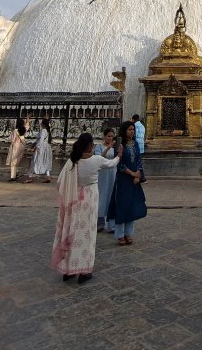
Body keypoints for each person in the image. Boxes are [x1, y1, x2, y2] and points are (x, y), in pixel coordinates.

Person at [51, 132, 123, 283]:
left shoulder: (72, 162)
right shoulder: (95, 161)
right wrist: (119, 154)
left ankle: (68, 270)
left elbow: (59, 182)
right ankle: (84, 270)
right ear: (91, 146)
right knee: (87, 235)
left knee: (71, 233)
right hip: (90, 199)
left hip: (73, 200)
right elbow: (112, 164)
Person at [109, 120, 147, 245]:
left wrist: (138, 174)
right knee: (122, 205)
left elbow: (138, 160)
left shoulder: (135, 144)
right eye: (129, 130)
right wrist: (132, 173)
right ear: (124, 131)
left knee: (132, 205)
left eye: (133, 130)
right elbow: (119, 163)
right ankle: (120, 234)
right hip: (123, 179)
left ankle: (128, 233)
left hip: (134, 180)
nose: (132, 132)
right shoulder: (119, 145)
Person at [94, 127, 119, 233]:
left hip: (113, 173)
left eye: (112, 137)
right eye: (108, 136)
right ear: (104, 136)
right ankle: (100, 222)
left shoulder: (116, 147)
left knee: (112, 197)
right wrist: (108, 148)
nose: (110, 138)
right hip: (102, 174)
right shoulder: (99, 146)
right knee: (101, 196)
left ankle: (112, 224)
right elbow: (99, 158)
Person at [27, 118, 53, 183]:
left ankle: (30, 176)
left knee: (35, 161)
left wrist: (35, 147)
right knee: (46, 162)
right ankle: (48, 176)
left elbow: (41, 140)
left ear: (43, 124)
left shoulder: (43, 130)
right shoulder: (48, 131)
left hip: (42, 148)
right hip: (47, 147)